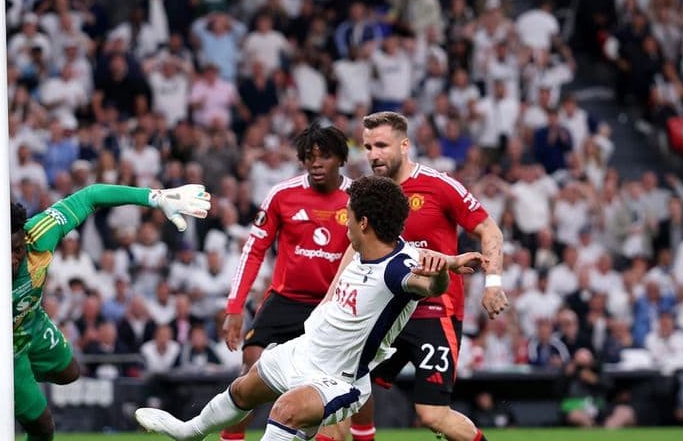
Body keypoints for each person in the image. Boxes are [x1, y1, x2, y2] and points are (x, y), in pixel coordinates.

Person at [135, 175, 487, 441]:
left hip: (338, 379)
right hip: (303, 352)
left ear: (364, 222)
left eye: (349, 215)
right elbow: (420, 256)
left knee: (285, 410)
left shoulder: (397, 269)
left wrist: (442, 275)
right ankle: (189, 432)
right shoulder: (376, 246)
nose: (344, 221)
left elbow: (428, 286)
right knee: (242, 390)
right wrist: (450, 260)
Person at [0, 183, 211, 441]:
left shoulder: (41, 231)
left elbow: (91, 196)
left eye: (18, 249)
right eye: (6, 251)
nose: (14, 258)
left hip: (30, 322)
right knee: (44, 427)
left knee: (71, 373)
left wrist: (154, 197)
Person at [325, 111, 509, 441]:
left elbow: (489, 229)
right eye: (368, 147)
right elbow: (355, 247)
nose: (373, 154)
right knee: (339, 389)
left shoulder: (439, 185)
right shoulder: (369, 194)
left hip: (434, 312)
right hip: (385, 311)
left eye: (382, 145)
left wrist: (492, 283)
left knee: (432, 415)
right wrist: (331, 298)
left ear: (404, 145)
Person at [220, 123, 351, 441]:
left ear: (341, 159)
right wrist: (235, 307)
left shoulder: (358, 197)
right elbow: (253, 250)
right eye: (309, 157)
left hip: (332, 306)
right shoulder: (282, 194)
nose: (316, 164)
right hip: (285, 300)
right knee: (250, 369)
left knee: (331, 390)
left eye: (324, 156)